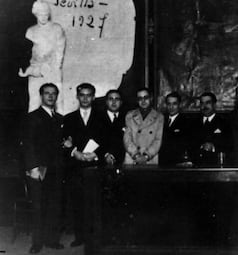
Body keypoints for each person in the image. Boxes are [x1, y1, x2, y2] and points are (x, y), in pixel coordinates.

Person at [22, 83, 65, 253]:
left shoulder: (60, 119)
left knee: (54, 206)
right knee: (39, 207)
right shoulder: (32, 117)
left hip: (56, 169)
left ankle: (52, 240)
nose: (50, 96)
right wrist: (32, 167)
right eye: (47, 93)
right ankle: (37, 243)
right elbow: (28, 145)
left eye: (54, 93)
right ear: (41, 96)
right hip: (39, 169)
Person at [63, 83, 103, 247]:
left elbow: (107, 139)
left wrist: (96, 154)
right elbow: (65, 142)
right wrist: (75, 152)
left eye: (89, 95)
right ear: (77, 97)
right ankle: (80, 237)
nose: (85, 98)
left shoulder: (102, 117)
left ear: (93, 97)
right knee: (78, 202)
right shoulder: (69, 118)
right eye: (82, 95)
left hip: (95, 165)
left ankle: (95, 237)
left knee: (95, 202)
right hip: (76, 166)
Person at [19, 0, 66, 114]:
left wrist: (54, 68)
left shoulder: (57, 28)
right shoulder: (31, 31)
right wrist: (34, 70)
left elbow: (60, 49)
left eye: (46, 14)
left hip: (53, 68)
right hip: (35, 70)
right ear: (36, 14)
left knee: (57, 102)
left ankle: (60, 128)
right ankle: (32, 129)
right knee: (34, 103)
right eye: (41, 14)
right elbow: (27, 52)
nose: (44, 17)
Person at [123, 88, 164, 165]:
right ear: (137, 100)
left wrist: (146, 156)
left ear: (151, 98)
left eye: (146, 98)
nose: (143, 101)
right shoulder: (130, 115)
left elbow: (158, 140)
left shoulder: (159, 117)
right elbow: (127, 138)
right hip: (132, 158)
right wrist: (135, 154)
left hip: (150, 159)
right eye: (140, 98)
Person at [191, 92, 232, 166]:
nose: (204, 106)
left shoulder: (224, 123)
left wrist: (213, 147)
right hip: (197, 167)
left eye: (208, 103)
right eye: (202, 103)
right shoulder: (193, 123)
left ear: (214, 104)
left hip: (217, 166)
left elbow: (230, 145)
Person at [159, 92, 191, 166]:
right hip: (162, 162)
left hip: (178, 163)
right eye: (169, 104)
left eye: (174, 104)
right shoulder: (161, 120)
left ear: (179, 105)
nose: (171, 107)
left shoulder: (186, 122)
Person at [100, 90, 126, 165]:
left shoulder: (127, 118)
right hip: (101, 160)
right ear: (106, 102)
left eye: (117, 99)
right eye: (111, 99)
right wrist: (105, 155)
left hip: (123, 161)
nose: (114, 102)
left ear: (121, 102)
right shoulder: (97, 118)